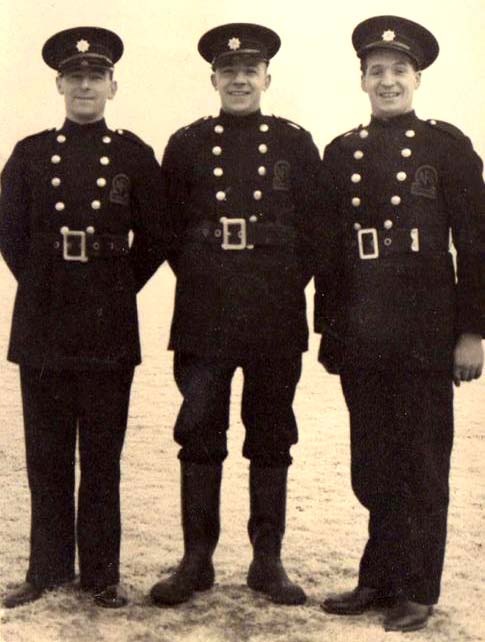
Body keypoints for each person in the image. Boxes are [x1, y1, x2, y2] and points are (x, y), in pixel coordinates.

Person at [315, 16, 484, 632]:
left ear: (417, 78)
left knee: (421, 461)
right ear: (362, 79)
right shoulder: (342, 151)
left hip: (425, 333)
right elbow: (330, 252)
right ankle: (377, 577)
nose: (388, 81)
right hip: (364, 333)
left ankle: (418, 586)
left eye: (399, 71)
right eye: (376, 71)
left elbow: (477, 243)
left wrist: (474, 332)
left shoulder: (445, 146)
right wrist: (330, 330)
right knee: (372, 462)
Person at [149, 23, 322, 607]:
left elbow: (315, 233)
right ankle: (196, 560)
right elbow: (167, 229)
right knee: (199, 430)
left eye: (251, 69)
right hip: (204, 310)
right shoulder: (188, 143)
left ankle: (266, 560)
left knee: (272, 433)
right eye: (229, 70)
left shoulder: (295, 143)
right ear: (215, 79)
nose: (240, 79)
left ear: (267, 78)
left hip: (274, 310)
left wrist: (273, 279)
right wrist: (206, 273)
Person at [0, 27, 170, 609]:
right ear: (59, 84)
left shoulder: (132, 155)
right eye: (75, 77)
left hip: (107, 322)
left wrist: (114, 284)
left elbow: (156, 237)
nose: (85, 86)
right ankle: (45, 568)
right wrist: (45, 280)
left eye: (96, 77)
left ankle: (100, 573)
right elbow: (10, 233)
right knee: (45, 453)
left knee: (101, 454)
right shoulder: (29, 152)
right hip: (43, 320)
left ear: (112, 86)